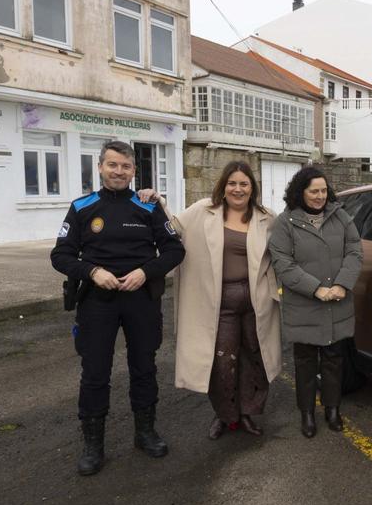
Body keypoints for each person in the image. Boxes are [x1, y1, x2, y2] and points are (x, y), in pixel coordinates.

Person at [51, 141, 185, 476]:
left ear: (134, 171)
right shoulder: (82, 208)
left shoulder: (148, 207)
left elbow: (174, 250)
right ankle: (93, 445)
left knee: (144, 367)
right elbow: (61, 255)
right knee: (95, 373)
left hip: (141, 299)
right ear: (100, 167)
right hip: (98, 301)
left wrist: (146, 272)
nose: (119, 171)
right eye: (112, 165)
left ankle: (145, 433)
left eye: (125, 166)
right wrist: (93, 272)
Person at [139, 163, 281, 439]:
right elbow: (173, 228)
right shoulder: (203, 210)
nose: (238, 189)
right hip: (219, 302)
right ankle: (225, 416)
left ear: (252, 188)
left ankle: (248, 413)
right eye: (232, 183)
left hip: (256, 301)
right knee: (222, 362)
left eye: (244, 184)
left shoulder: (267, 218)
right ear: (223, 186)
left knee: (255, 358)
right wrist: (158, 202)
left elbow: (284, 253)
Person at [267, 167, 363, 438]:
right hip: (305, 305)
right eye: (314, 191)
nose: (320, 196)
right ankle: (307, 414)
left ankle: (333, 410)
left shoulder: (340, 216)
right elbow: (283, 264)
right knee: (306, 363)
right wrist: (316, 289)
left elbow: (355, 250)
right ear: (301, 192)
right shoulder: (285, 223)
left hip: (338, 301)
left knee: (334, 359)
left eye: (323, 190)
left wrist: (342, 284)